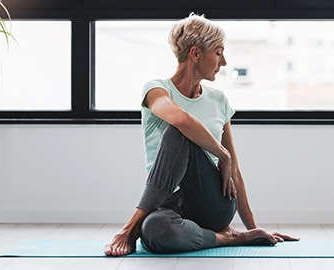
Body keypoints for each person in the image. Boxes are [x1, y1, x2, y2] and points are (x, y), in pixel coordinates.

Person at [105, 13, 299, 256]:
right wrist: (222, 154)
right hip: (168, 204)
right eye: (218, 53)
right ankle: (227, 238)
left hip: (212, 203)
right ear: (196, 54)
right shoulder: (156, 90)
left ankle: (129, 227)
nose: (224, 62)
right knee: (155, 230)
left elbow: (234, 171)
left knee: (179, 133)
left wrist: (255, 228)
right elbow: (182, 119)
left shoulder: (219, 100)